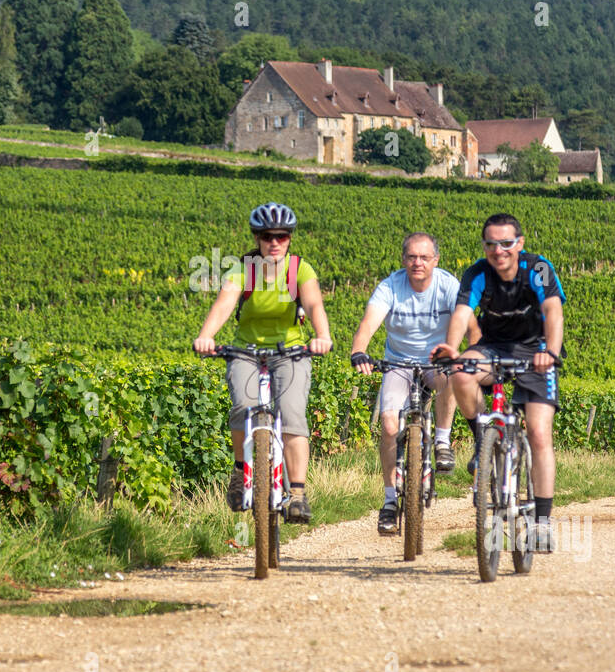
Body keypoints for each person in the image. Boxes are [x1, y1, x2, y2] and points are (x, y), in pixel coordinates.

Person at [431, 213, 565, 552]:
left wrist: (550, 350)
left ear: (519, 243)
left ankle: (543, 523)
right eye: (491, 244)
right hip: (492, 349)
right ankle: (483, 441)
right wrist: (452, 347)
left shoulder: (538, 268)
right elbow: (462, 313)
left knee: (537, 432)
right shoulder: (477, 273)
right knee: (461, 373)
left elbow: (553, 310)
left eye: (506, 243)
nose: (498, 250)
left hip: (536, 352)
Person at [192, 203, 333, 522]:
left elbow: (313, 305)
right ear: (257, 238)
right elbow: (225, 304)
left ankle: (297, 492)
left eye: (282, 236)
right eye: (267, 236)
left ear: (290, 238)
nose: (275, 242)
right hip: (246, 349)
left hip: (291, 351)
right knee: (243, 407)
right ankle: (241, 471)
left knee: (293, 413)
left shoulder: (300, 270)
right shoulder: (244, 270)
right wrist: (206, 336)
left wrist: (321, 335)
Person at [349, 232, 476, 535]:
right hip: (398, 363)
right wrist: (359, 351)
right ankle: (390, 500)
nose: (417, 263)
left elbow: (472, 326)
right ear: (403, 259)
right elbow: (368, 324)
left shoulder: (448, 286)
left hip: (436, 359)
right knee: (390, 424)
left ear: (436, 260)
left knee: (450, 374)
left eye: (424, 257)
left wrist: (469, 355)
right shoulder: (390, 287)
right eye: (411, 257)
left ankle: (442, 441)